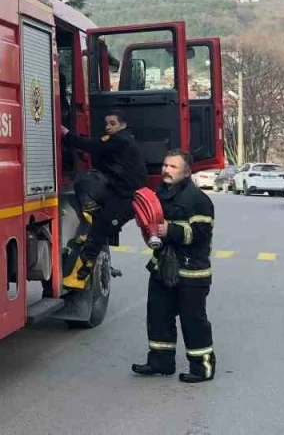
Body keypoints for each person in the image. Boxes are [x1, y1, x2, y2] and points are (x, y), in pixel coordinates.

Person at [132, 150, 215, 383]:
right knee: (158, 316)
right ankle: (161, 362)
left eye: (173, 167)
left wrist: (171, 231)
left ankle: (202, 368)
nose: (166, 170)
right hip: (162, 267)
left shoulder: (198, 199)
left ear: (187, 171)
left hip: (191, 271)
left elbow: (200, 233)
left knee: (193, 320)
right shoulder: (159, 194)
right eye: (165, 165)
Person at [65, 110, 147, 283]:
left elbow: (93, 146)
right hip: (119, 194)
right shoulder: (124, 139)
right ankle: (92, 217)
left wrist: (66, 135)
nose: (108, 127)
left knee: (99, 231)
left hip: (126, 200)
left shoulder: (120, 140)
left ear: (122, 124)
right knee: (87, 182)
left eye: (112, 123)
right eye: (106, 124)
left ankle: (81, 273)